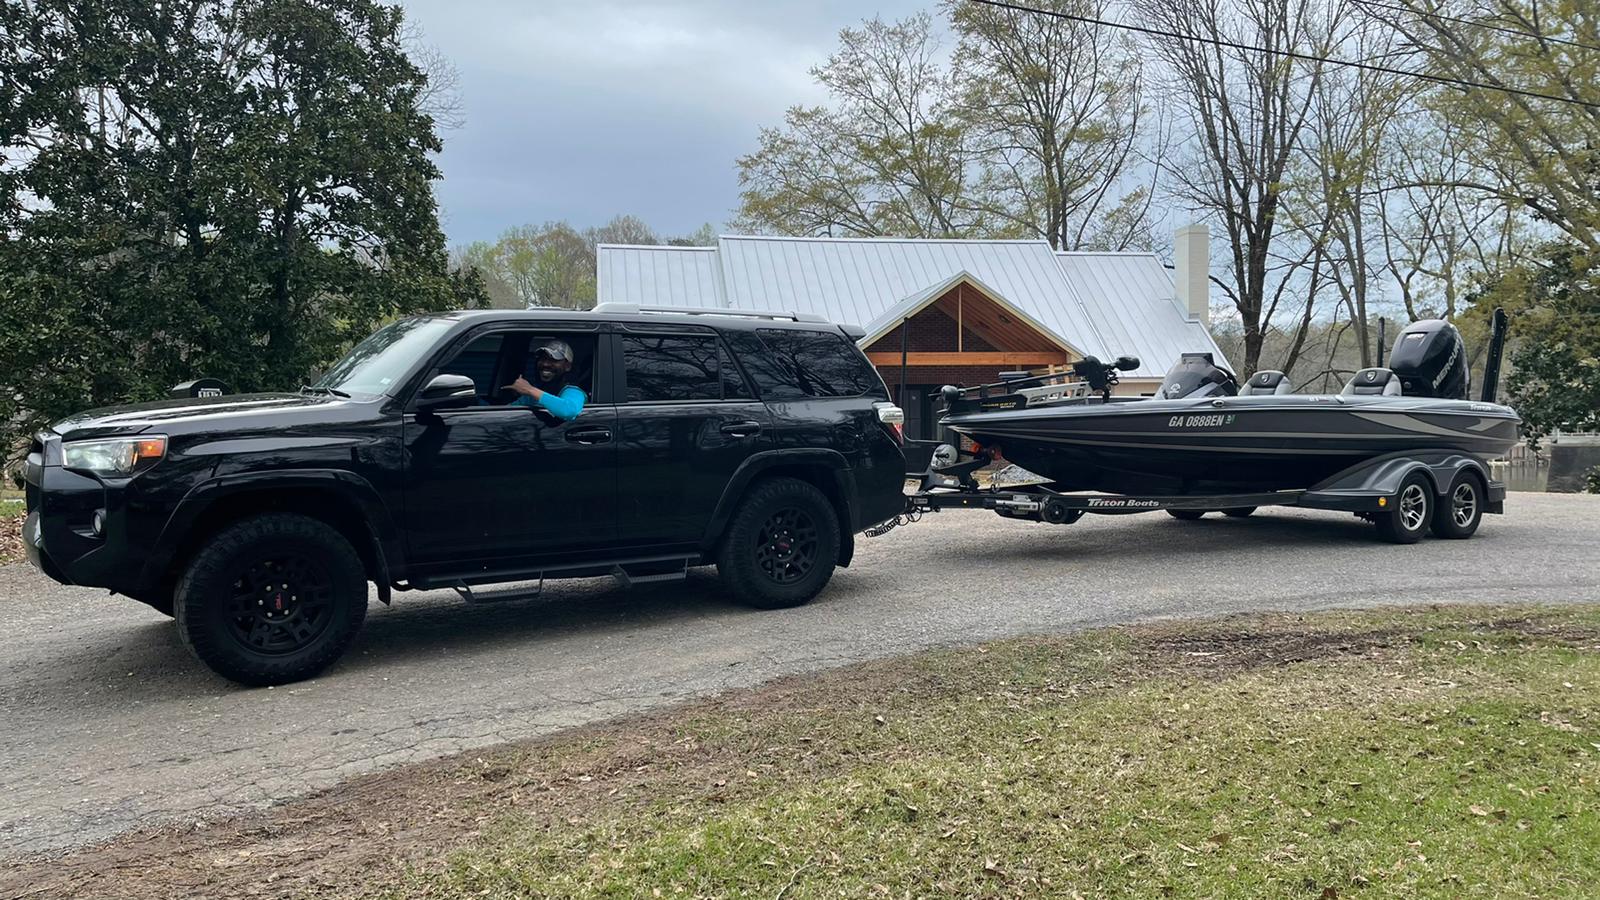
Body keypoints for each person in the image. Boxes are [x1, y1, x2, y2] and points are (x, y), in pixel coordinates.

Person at [503, 339, 587, 421]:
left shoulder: (573, 390)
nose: (545, 364)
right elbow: (505, 414)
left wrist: (529, 389)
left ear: (567, 366)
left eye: (554, 360)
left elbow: (569, 411)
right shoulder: (534, 394)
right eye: (542, 359)